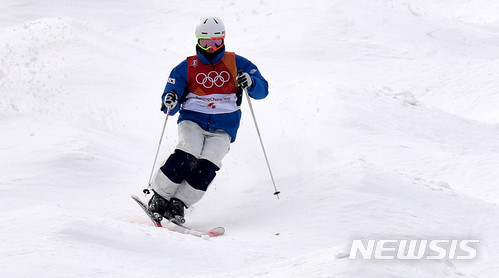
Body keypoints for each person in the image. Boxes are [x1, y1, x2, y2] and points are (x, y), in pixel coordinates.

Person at [148, 16, 269, 224]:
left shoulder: (237, 62)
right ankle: (159, 197)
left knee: (209, 163)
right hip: (193, 120)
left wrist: (251, 81)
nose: (211, 48)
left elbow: (262, 90)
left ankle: (180, 203)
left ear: (223, 40)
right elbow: (172, 94)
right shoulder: (187, 66)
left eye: (216, 42)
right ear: (197, 41)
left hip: (224, 126)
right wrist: (171, 99)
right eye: (206, 42)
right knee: (188, 151)